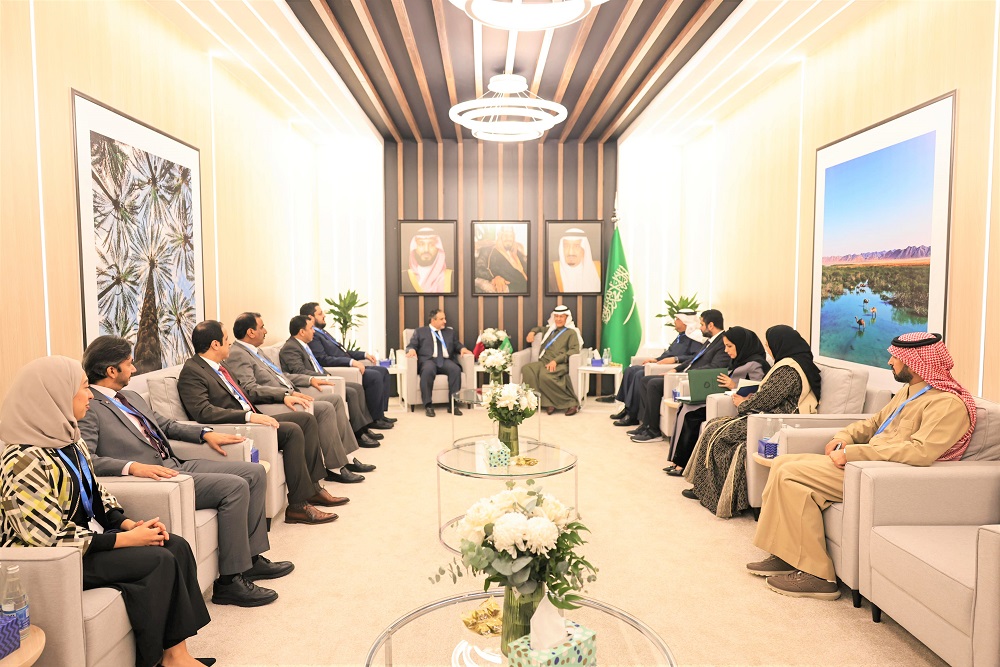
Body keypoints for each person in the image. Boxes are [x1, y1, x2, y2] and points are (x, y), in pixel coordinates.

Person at [0, 356, 212, 667]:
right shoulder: (22, 459)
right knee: (158, 560)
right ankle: (163, 659)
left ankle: (175, 654)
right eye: (84, 388)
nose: (90, 395)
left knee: (175, 545)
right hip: (56, 559)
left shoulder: (69, 439)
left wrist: (127, 524)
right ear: (56, 394)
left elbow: (97, 493)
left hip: (86, 544)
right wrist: (125, 541)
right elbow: (45, 536)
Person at [747, 332, 976, 600]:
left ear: (915, 363)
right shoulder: (909, 391)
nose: (890, 362)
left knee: (789, 473)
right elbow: (874, 423)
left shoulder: (947, 404)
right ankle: (789, 555)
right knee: (783, 464)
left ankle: (819, 577)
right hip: (866, 465)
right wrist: (844, 437)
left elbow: (920, 452)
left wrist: (853, 453)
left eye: (895, 357)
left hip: (886, 476)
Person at [79, 335, 291, 608]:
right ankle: (229, 582)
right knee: (234, 487)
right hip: (157, 479)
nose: (134, 369)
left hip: (175, 463)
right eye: (129, 363)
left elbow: (166, 425)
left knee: (254, 472)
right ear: (111, 370)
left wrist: (205, 433)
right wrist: (132, 467)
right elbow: (88, 459)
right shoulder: (90, 406)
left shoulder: (130, 397)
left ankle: (250, 559)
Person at [177, 320, 346, 525]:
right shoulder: (192, 371)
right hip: (239, 426)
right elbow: (204, 412)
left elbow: (247, 391)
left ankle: (314, 489)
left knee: (306, 420)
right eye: (226, 339)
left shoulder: (220, 367)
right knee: (292, 431)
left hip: (253, 417)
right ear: (215, 344)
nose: (229, 343)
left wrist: (284, 396)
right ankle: (298, 506)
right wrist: (248, 416)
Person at [681, 325, 822, 518]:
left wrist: (743, 403)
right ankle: (703, 487)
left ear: (780, 344)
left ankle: (717, 496)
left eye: (769, 344)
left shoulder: (789, 370)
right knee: (713, 425)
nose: (767, 348)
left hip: (775, 422)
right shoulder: (795, 362)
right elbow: (770, 395)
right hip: (766, 416)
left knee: (721, 435)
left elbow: (766, 398)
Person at [225, 312, 375, 483]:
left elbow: (282, 376)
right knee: (325, 408)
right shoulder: (238, 354)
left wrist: (309, 380)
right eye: (262, 327)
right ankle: (335, 468)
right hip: (276, 403)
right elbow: (249, 389)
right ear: (251, 332)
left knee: (335, 400)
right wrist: (285, 394)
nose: (265, 331)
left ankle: (346, 458)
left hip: (291, 394)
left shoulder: (256, 351)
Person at [664, 326, 770, 476]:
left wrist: (733, 386)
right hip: (723, 401)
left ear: (741, 345)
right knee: (684, 408)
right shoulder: (738, 361)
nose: (726, 350)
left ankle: (683, 464)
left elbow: (759, 391)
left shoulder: (756, 364)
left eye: (729, 346)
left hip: (736, 407)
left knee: (692, 417)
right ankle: (677, 460)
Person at [630, 309, 731, 442]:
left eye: (702, 324)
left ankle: (654, 431)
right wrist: (675, 370)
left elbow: (715, 367)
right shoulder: (710, 341)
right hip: (683, 375)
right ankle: (647, 425)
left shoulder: (722, 343)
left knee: (653, 384)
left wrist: (686, 374)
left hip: (693, 378)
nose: (700, 328)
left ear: (710, 325)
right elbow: (693, 360)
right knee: (645, 380)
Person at [279, 315, 381, 442]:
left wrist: (328, 375)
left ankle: (364, 428)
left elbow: (317, 367)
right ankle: (358, 434)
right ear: (302, 332)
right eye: (311, 328)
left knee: (357, 387)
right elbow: (299, 371)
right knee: (351, 392)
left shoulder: (304, 345)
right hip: (311, 385)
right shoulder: (290, 348)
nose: (314, 331)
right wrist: (325, 377)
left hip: (322, 379)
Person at [299, 302, 394, 430]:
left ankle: (380, 414)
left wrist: (364, 354)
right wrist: (351, 362)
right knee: (375, 376)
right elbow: (323, 359)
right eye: (320, 314)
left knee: (383, 371)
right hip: (343, 368)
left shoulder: (323, 332)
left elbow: (344, 351)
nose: (324, 315)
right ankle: (375, 419)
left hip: (349, 365)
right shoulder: (314, 336)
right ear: (310, 317)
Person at [610, 309, 704, 426]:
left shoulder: (694, 338)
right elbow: (668, 353)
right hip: (662, 364)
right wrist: (656, 359)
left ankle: (633, 414)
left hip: (672, 367)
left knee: (639, 374)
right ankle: (627, 408)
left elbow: (694, 357)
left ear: (685, 322)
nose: (675, 321)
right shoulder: (681, 336)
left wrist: (676, 359)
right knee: (630, 370)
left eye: (677, 319)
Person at [405, 309, 473, 417]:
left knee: (455, 369)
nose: (445, 321)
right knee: (428, 370)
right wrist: (411, 350)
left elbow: (457, 344)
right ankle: (428, 405)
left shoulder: (449, 332)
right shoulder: (420, 331)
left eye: (444, 318)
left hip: (445, 360)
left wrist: (462, 349)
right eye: (442, 319)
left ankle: (453, 404)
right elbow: (411, 345)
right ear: (433, 320)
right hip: (428, 360)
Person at [521, 305, 583, 416]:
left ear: (567, 318)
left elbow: (574, 350)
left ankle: (571, 403)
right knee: (527, 369)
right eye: (556, 316)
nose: (558, 319)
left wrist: (556, 361)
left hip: (560, 363)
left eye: (561, 316)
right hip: (543, 362)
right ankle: (544, 403)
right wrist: (532, 332)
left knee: (545, 375)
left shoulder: (571, 333)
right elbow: (539, 328)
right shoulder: (550, 330)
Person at [475, 225, 528, 294]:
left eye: (511, 236)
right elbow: (479, 268)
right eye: (505, 235)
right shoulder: (488, 250)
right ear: (499, 236)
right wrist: (495, 277)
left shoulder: (518, 253)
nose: (509, 238)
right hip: (511, 289)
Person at [402, 227, 453, 293]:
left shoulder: (452, 276)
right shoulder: (403, 276)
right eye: (421, 244)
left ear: (438, 248)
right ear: (414, 247)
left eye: (431, 245)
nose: (426, 250)